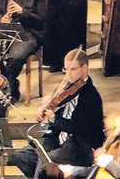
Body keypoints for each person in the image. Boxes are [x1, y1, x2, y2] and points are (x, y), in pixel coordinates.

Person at [9, 49, 105, 178]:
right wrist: (46, 109)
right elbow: (56, 119)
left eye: (73, 69)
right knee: (20, 156)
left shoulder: (91, 96)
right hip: (56, 139)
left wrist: (54, 118)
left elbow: (79, 128)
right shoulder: (67, 89)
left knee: (47, 161)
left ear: (84, 68)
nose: (68, 74)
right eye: (66, 69)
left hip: (78, 145)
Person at [0, 0, 47, 101]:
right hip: (7, 31)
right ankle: (8, 85)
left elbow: (41, 20)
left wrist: (22, 12)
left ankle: (9, 88)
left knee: (15, 58)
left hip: (29, 34)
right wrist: (2, 19)